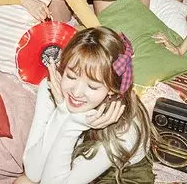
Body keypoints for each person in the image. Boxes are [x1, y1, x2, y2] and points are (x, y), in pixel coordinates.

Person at [18, 26, 155, 184]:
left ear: (111, 89)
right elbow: (33, 172)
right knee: (23, 182)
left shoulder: (126, 129)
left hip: (119, 176)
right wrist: (62, 112)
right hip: (68, 162)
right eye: (71, 76)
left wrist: (73, 124)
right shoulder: (53, 86)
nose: (76, 92)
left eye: (92, 86)